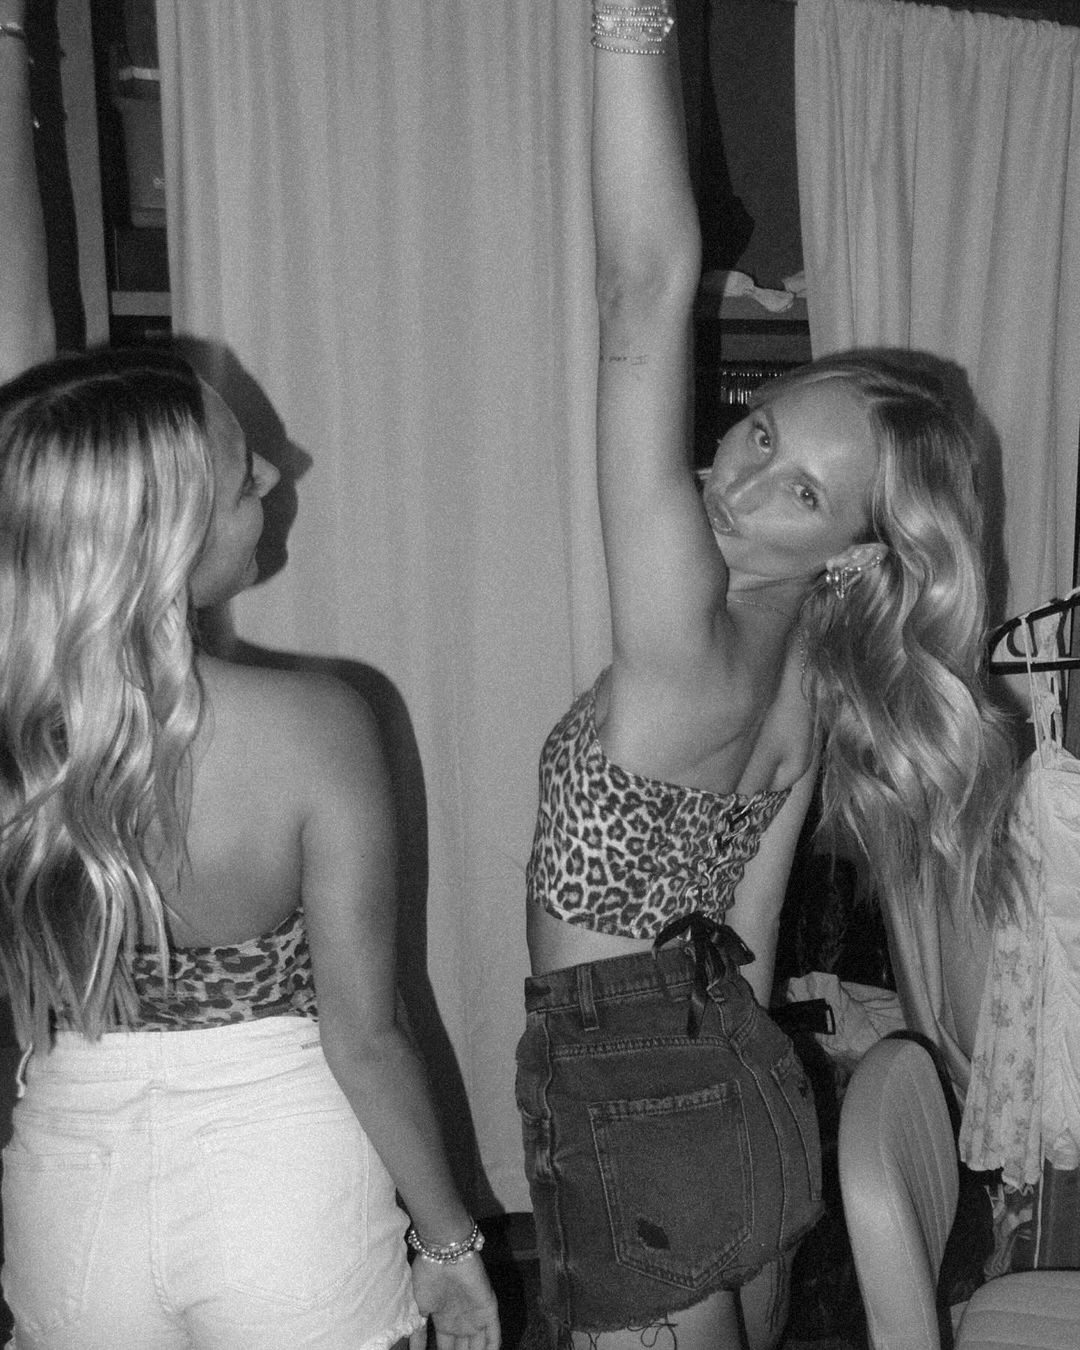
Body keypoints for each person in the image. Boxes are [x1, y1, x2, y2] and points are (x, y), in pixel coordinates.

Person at [515, 4, 1016, 1349]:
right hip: (737, 1067)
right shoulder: (813, 675)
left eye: (801, 492)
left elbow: (641, 286)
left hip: (631, 1094)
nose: (738, 482)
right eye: (757, 433)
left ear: (854, 554)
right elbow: (747, 921)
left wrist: (628, 25)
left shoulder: (688, 627)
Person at [0, 19, 501, 1350]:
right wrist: (453, 1241)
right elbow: (367, 1035)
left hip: (68, 1186)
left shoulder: (20, 730)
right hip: (284, 1177)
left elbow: (19, 388)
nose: (278, 475)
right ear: (162, 540)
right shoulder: (321, 723)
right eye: (241, 476)